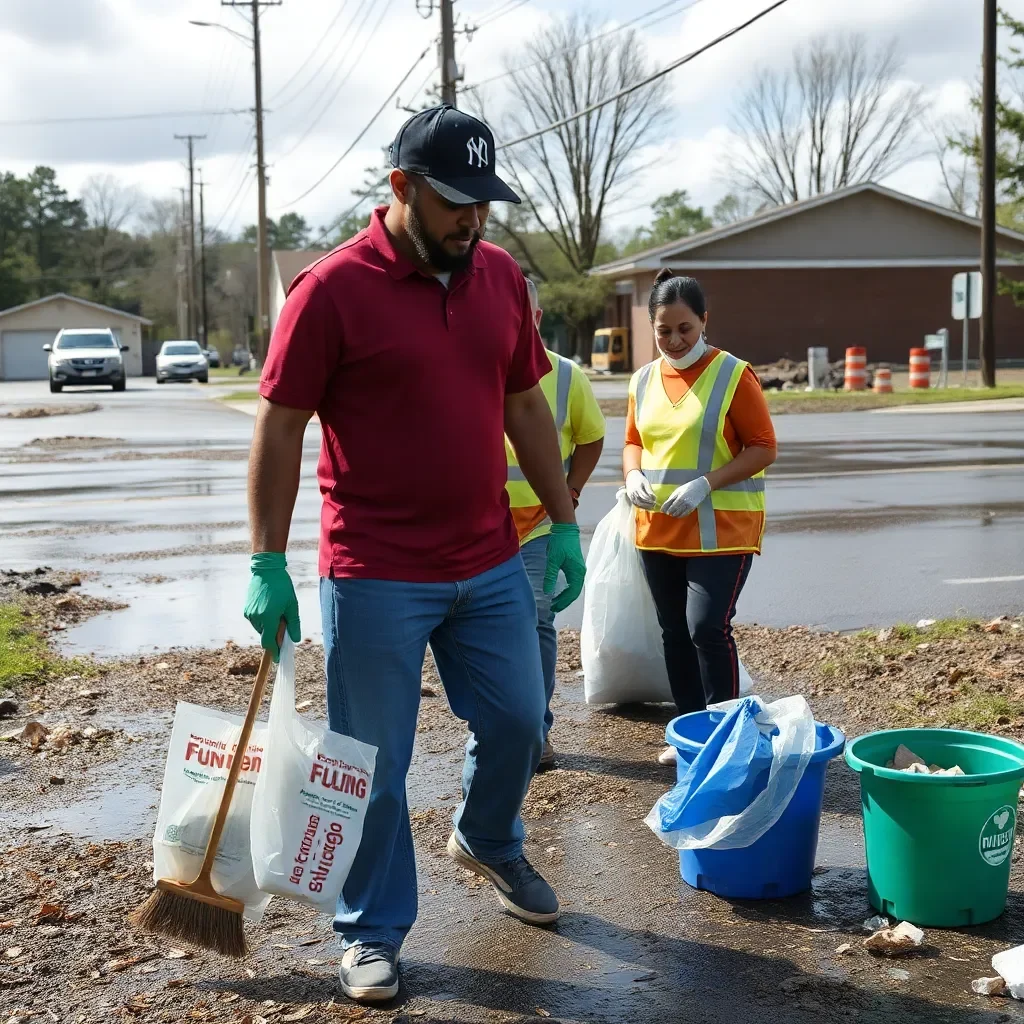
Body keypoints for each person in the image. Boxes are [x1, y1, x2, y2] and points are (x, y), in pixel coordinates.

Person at [243, 105, 586, 1005]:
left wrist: (564, 518)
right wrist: (267, 560)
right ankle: (371, 931)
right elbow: (280, 428)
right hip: (375, 567)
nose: (472, 222)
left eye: (484, 204)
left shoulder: (501, 277)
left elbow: (526, 406)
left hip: (486, 559)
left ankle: (488, 839)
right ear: (401, 188)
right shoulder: (330, 290)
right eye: (454, 203)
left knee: (521, 721)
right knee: (374, 762)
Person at [621, 269, 776, 765]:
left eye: (684, 328)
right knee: (674, 633)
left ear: (704, 321)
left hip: (721, 532)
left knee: (707, 628)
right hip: (659, 529)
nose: (673, 339)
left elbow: (763, 447)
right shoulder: (643, 379)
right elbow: (632, 441)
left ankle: (728, 731)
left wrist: (706, 482)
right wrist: (632, 476)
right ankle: (689, 731)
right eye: (663, 330)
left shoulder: (733, 373)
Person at [506, 278, 605, 770]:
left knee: (536, 619)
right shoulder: (472, 367)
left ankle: (536, 731)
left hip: (540, 527)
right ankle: (500, 725)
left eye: (521, 314)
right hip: (478, 527)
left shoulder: (566, 377)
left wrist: (570, 492)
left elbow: (590, 439)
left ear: (537, 320)